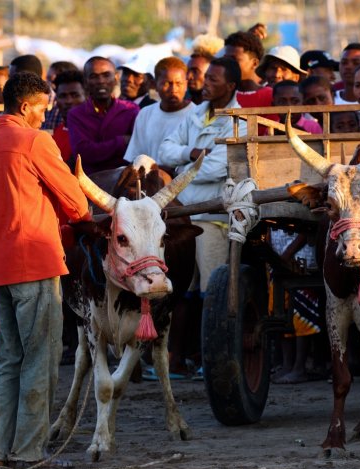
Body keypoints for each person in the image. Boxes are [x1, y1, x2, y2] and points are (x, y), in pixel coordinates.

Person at [0, 71, 90, 469]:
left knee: (7, 362)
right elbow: (76, 202)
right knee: (40, 359)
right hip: (33, 263)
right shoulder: (35, 141)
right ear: (25, 107)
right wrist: (83, 218)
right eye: (43, 108)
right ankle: (29, 452)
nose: (46, 115)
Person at [157, 57, 245, 300]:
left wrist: (176, 169)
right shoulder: (196, 112)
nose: (204, 83)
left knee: (211, 292)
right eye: (206, 77)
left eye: (213, 79)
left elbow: (214, 169)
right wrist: (191, 154)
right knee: (183, 291)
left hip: (212, 220)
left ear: (230, 86)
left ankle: (211, 339)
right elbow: (164, 149)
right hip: (182, 218)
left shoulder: (240, 121)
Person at [67, 56, 139, 174]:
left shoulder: (131, 110)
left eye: (106, 75)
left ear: (116, 78)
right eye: (94, 76)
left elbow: (136, 150)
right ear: (85, 82)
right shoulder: (76, 115)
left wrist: (98, 148)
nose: (100, 81)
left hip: (123, 182)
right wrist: (121, 141)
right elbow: (84, 153)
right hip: (89, 184)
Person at [124, 56, 194, 163]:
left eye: (178, 83)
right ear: (154, 85)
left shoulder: (197, 115)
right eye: (166, 83)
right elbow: (135, 157)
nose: (173, 89)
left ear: (186, 84)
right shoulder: (145, 114)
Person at [224, 31, 271, 107]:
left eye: (234, 60)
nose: (227, 63)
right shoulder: (221, 95)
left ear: (254, 63)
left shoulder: (269, 96)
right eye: (225, 58)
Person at [49, 70, 85, 162]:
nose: (68, 101)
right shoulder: (56, 134)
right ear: (56, 100)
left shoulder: (96, 131)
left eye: (75, 95)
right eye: (63, 96)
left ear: (86, 96)